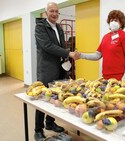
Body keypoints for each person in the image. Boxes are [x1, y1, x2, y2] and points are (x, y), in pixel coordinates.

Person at [34, 2, 78, 141]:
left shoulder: (58, 27)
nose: (54, 14)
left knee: (56, 97)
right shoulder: (40, 27)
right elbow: (47, 46)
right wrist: (68, 53)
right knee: (42, 99)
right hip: (46, 69)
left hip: (59, 68)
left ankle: (50, 123)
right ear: (46, 12)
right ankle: (38, 129)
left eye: (56, 11)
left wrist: (66, 58)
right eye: (51, 11)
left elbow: (61, 45)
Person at [77, 10, 125, 80]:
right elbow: (97, 55)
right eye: (111, 20)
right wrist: (81, 55)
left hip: (119, 77)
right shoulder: (105, 37)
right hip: (105, 76)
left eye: (116, 20)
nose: (113, 22)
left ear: (121, 22)